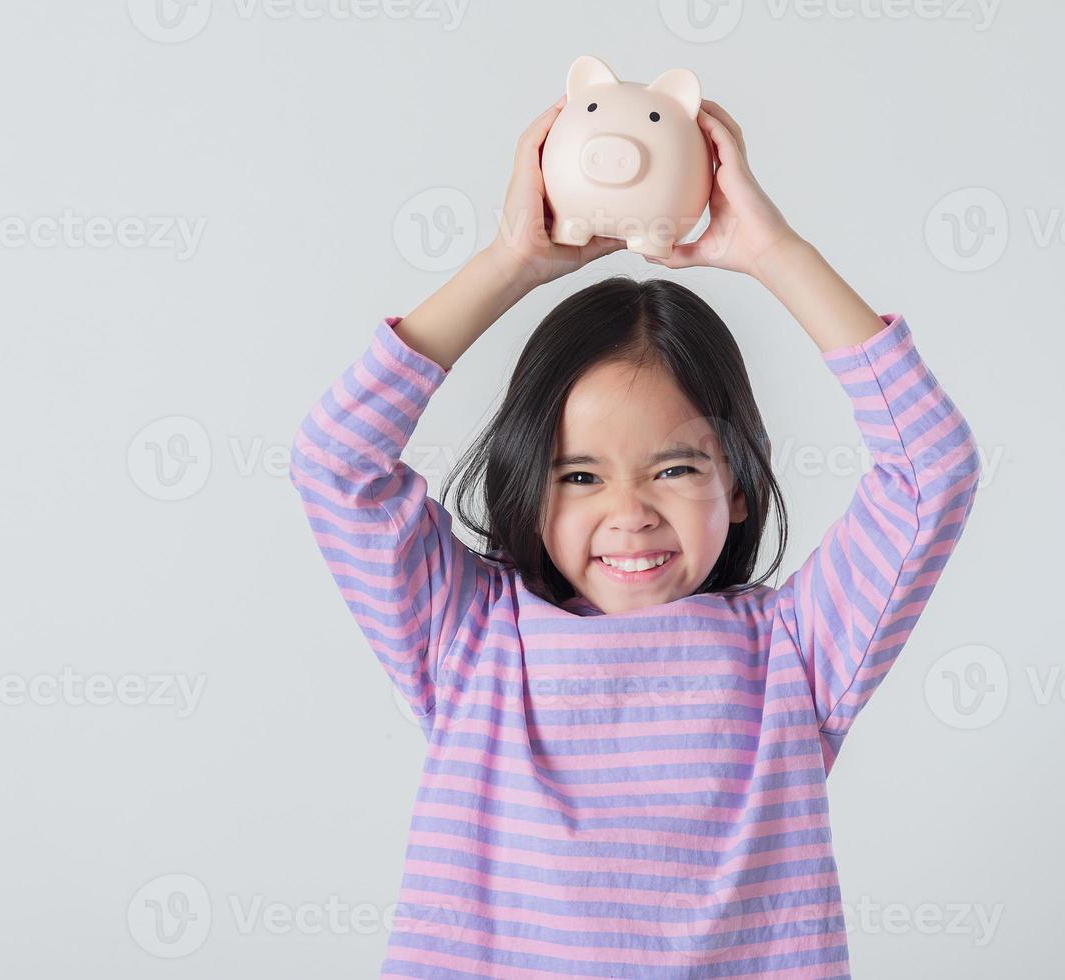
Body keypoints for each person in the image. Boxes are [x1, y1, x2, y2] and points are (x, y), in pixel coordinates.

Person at [288, 94, 981, 977]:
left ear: (737, 480)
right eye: (580, 476)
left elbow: (933, 470)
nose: (630, 512)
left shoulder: (794, 655)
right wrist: (511, 262)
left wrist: (776, 255)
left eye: (675, 468)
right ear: (527, 486)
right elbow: (334, 465)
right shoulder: (471, 637)